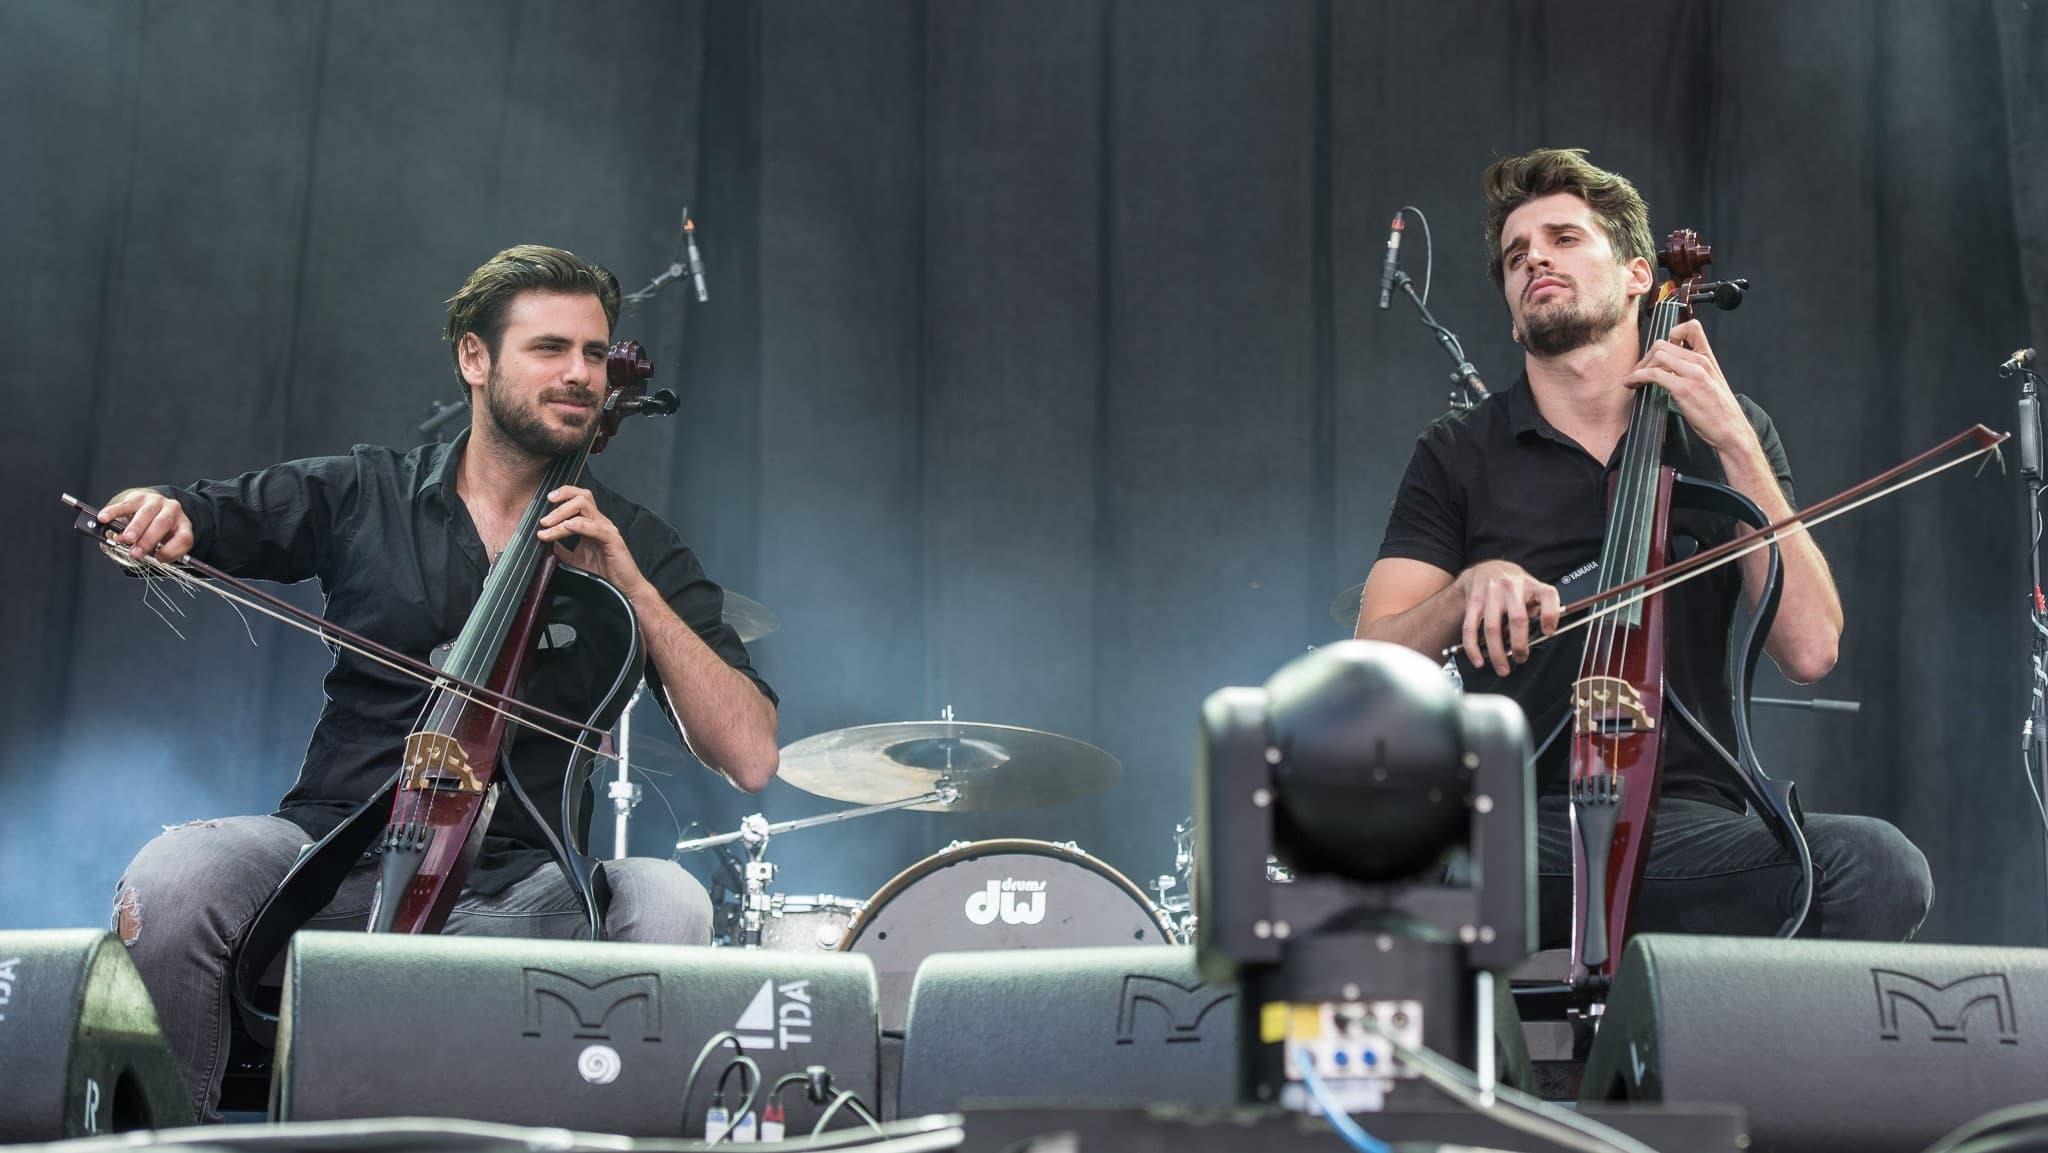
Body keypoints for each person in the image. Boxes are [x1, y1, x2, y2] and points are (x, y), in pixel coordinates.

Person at [96, 245, 780, 1120]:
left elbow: (752, 753)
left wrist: (632, 587)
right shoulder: (365, 493)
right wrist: (163, 511)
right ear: (473, 357)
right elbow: (213, 512)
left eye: (596, 355)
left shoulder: (632, 542)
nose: (581, 374)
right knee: (177, 877)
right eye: (550, 348)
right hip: (333, 854)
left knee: (673, 899)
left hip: (525, 887)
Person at [1354, 148, 1931, 948]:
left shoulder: (1727, 433)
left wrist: (1731, 440)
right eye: (1517, 255)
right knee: (1375, 868)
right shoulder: (1458, 451)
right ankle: (1501, 1076)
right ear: (1512, 314)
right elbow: (1370, 664)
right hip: (1521, 825)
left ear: (1637, 275)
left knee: (1879, 866)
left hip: (1691, 825)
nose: (1536, 261)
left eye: (1563, 238)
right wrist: (1461, 594)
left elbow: (1811, 646)